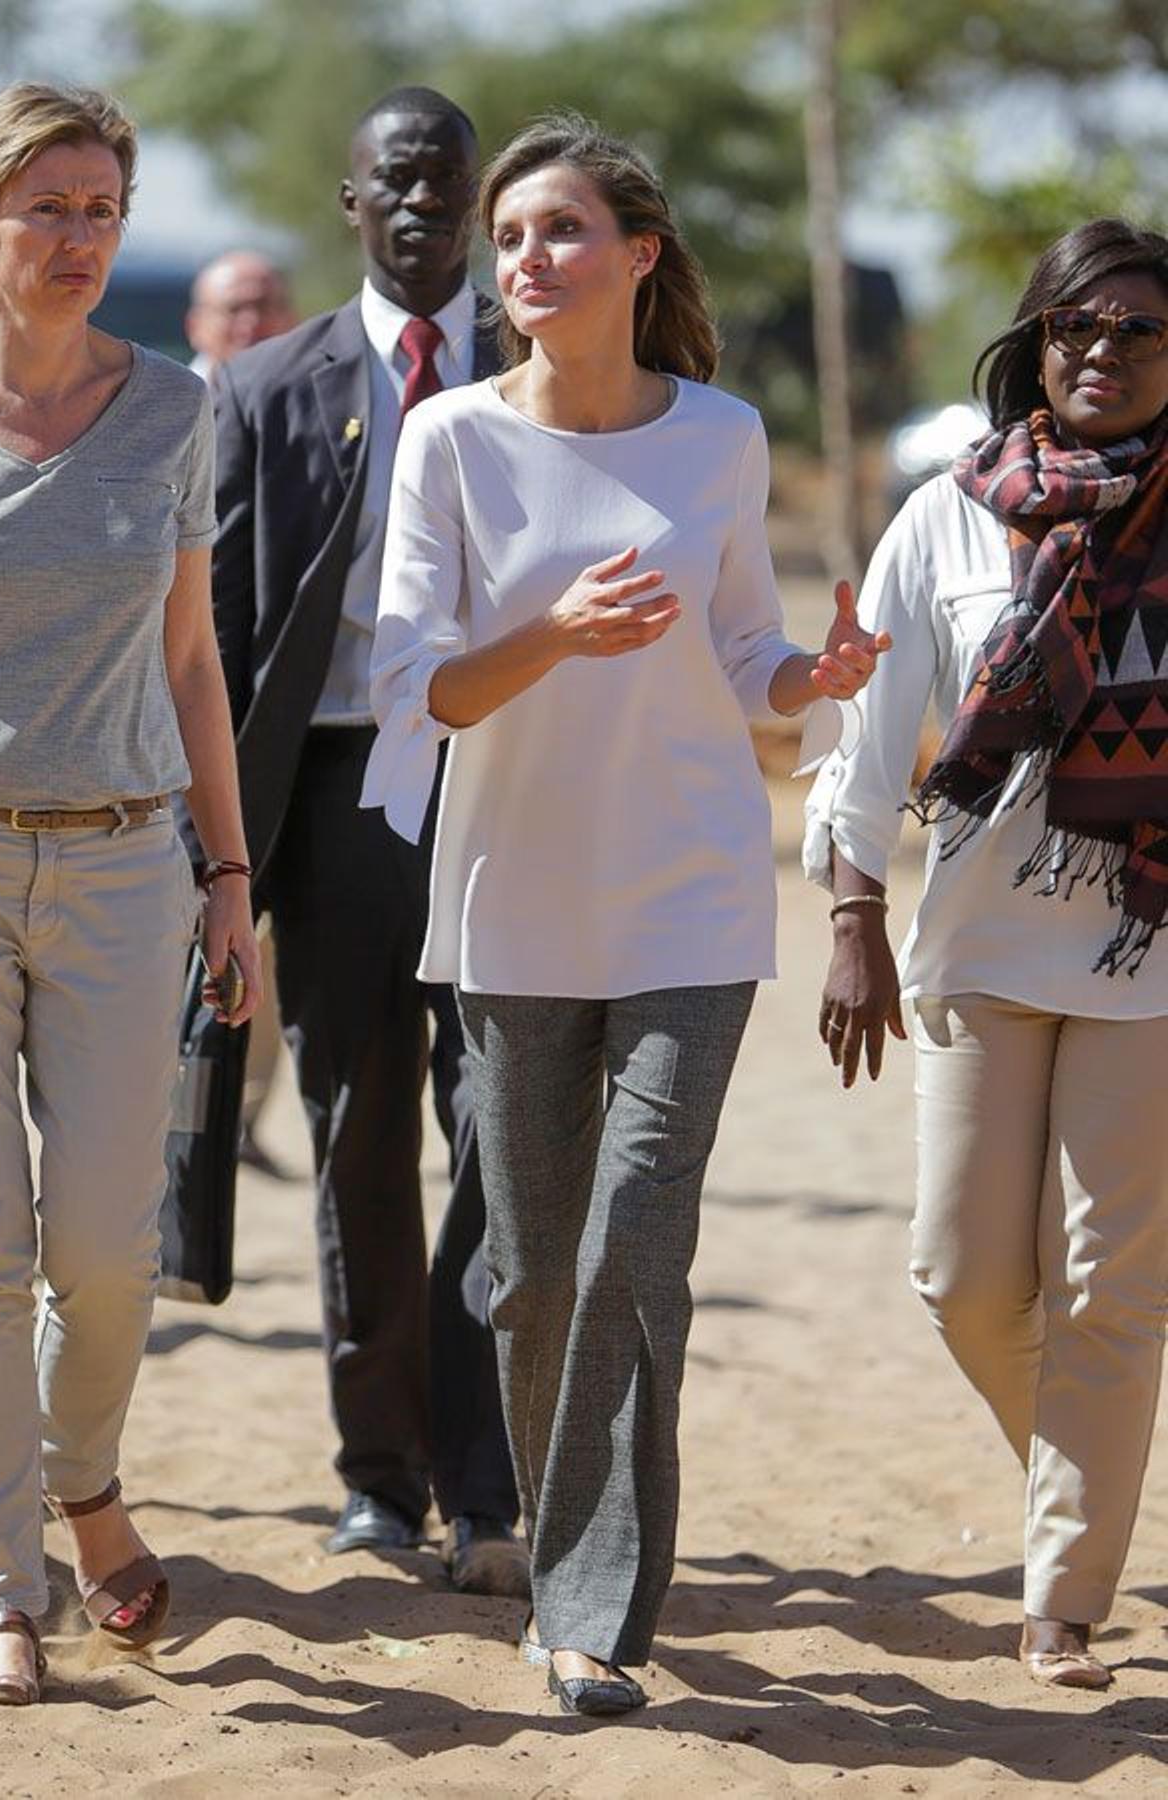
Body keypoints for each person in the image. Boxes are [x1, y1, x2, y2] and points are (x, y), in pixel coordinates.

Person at [362, 111, 887, 1717]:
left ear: (639, 256)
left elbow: (749, 661)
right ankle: (553, 1541)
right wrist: (557, 634)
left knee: (630, 1248)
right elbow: (412, 687)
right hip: (512, 911)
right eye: (511, 237)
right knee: (529, 1269)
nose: (527, 259)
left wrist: (820, 678)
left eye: (563, 231)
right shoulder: (450, 440)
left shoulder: (719, 436)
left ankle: (591, 1612)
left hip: (692, 900)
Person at [807, 216, 1168, 1691]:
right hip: (974, 943)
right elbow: (870, 744)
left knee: (1109, 1286)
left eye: (1140, 330)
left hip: (1152, 953)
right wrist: (849, 919)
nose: (1104, 351)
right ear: (1034, 340)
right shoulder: (950, 518)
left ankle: (1061, 1598)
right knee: (960, 1276)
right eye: (1078, 326)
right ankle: (1074, 1494)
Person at [207, 86, 524, 1596]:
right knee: (356, 1141)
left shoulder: (548, 368)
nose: (422, 204)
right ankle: (379, 1481)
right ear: (350, 202)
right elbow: (216, 632)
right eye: (395, 181)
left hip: (506, 792)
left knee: (501, 1133)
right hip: (336, 807)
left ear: (475, 200)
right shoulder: (269, 387)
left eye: (446, 182)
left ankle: (492, 1477)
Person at [0, 81, 260, 1707]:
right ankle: (4, 1586)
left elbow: (194, 654)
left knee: (106, 1250)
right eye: (47, 209)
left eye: (103, 210)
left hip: (134, 863)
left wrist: (230, 875)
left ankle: (85, 1480)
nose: (80, 239)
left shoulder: (174, 407)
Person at [184, 247, 298, 1177]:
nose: (250, 327)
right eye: (234, 311)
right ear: (198, 327)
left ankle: (239, 1122)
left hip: (266, 737)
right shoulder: (146, 416)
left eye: (266, 309)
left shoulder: (308, 424)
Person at [184, 248, 296, 383]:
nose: (250, 322)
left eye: (263, 306)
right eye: (234, 309)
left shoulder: (317, 399)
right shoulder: (169, 401)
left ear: (292, 319)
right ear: (195, 327)